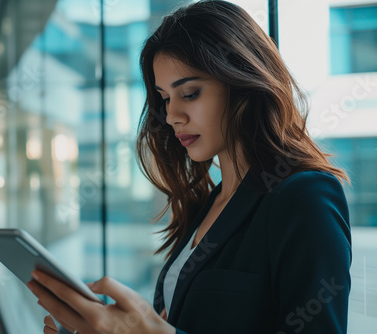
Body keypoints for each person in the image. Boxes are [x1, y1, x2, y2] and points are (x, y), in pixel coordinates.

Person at [26, 1, 352, 333]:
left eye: (190, 93)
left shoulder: (304, 196)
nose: (171, 116)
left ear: (242, 84)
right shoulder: (207, 205)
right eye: (166, 98)